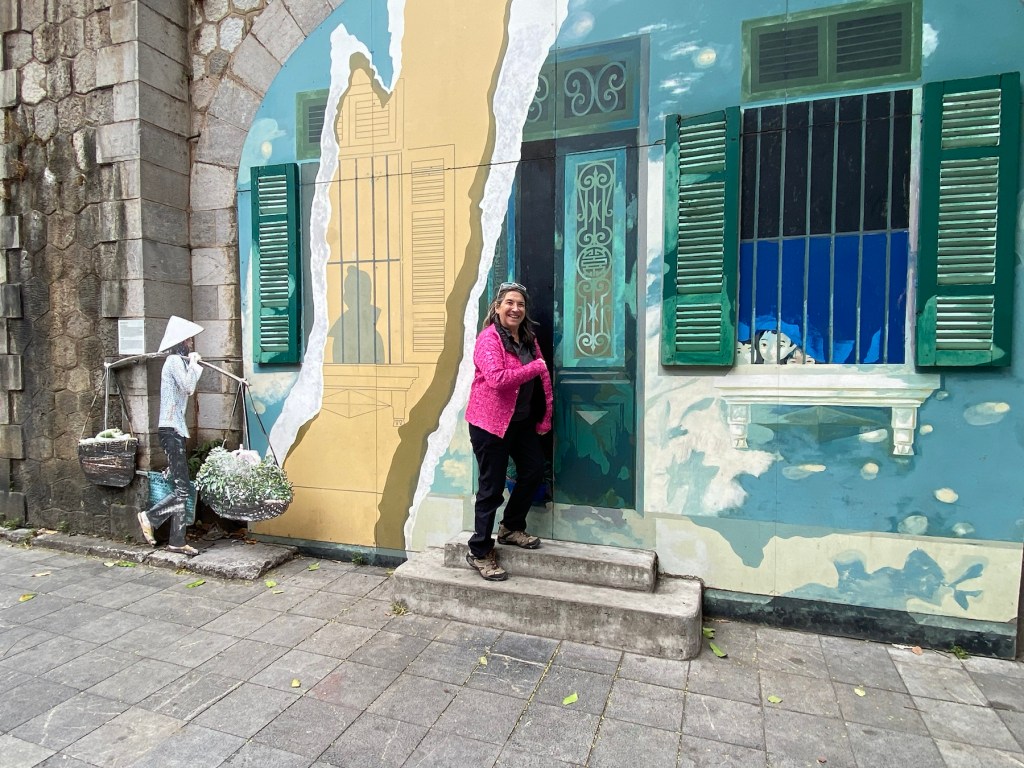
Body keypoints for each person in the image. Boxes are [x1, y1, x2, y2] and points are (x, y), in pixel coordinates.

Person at [464, 281, 553, 581]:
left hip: (520, 422)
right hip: (489, 424)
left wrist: (545, 416)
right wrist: (534, 367)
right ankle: (479, 551)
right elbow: (498, 379)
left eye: (521, 304)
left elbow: (543, 379)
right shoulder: (489, 339)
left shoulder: (527, 338)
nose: (516, 309)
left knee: (534, 469)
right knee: (491, 488)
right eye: (510, 303)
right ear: (497, 307)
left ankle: (511, 526)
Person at [137, 316, 205, 556]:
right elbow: (188, 387)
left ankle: (177, 540)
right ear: (180, 342)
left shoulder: (177, 362)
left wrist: (193, 365)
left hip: (175, 430)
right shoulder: (174, 360)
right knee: (183, 489)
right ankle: (150, 516)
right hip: (171, 430)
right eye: (188, 340)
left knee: (180, 488)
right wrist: (195, 365)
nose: (191, 344)